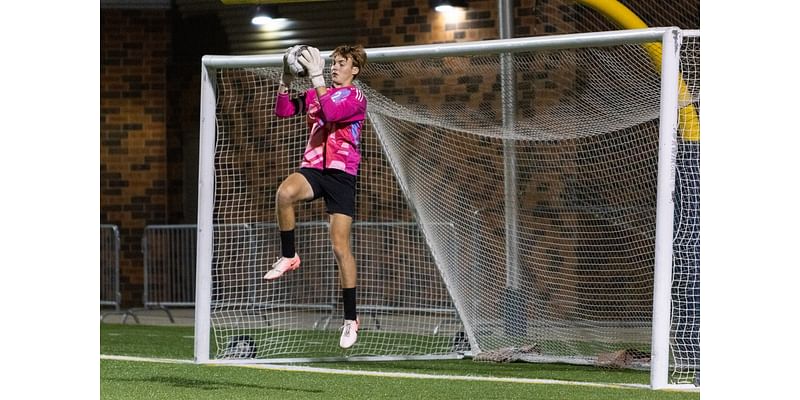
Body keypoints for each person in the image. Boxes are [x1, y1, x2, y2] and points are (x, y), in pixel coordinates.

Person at [264, 44, 367, 350]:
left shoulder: (356, 96)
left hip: (341, 174)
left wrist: (317, 77)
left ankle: (351, 319)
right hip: (313, 168)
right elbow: (283, 109)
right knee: (284, 193)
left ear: (355, 70)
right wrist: (286, 76)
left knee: (339, 247)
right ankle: (289, 255)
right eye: (332, 62)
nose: (335, 67)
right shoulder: (314, 93)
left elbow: (333, 111)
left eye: (341, 63)